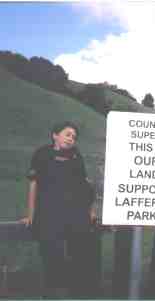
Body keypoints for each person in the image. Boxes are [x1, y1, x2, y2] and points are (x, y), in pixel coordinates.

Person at [21, 122, 98, 299]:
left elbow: (86, 185)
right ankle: (52, 292)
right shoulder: (42, 154)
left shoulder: (76, 156)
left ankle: (75, 292)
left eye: (74, 137)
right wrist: (30, 215)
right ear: (55, 135)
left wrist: (90, 210)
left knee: (79, 255)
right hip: (49, 214)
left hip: (75, 214)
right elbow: (34, 184)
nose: (71, 139)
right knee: (51, 253)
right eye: (68, 134)